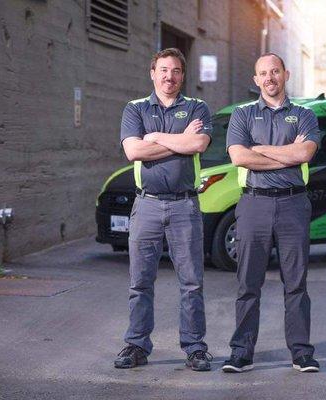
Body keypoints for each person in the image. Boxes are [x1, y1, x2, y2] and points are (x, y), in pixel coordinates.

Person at [114, 48, 213, 371]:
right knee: (140, 281)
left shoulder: (197, 107)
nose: (169, 76)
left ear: (183, 76)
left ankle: (195, 348)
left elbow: (197, 144)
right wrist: (177, 140)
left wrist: (155, 137)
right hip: (148, 206)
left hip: (185, 205)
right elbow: (133, 150)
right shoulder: (135, 109)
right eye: (163, 70)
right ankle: (136, 345)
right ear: (153, 73)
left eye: (176, 71)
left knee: (191, 281)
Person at [222, 53, 320, 373]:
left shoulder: (304, 115)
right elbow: (239, 157)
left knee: (296, 282)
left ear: (285, 74)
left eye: (275, 71)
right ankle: (242, 351)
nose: (269, 78)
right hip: (254, 205)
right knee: (248, 282)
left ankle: (301, 352)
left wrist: (260, 150)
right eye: (263, 73)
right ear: (256, 79)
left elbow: (305, 152)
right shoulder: (243, 115)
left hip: (293, 204)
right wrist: (286, 156)